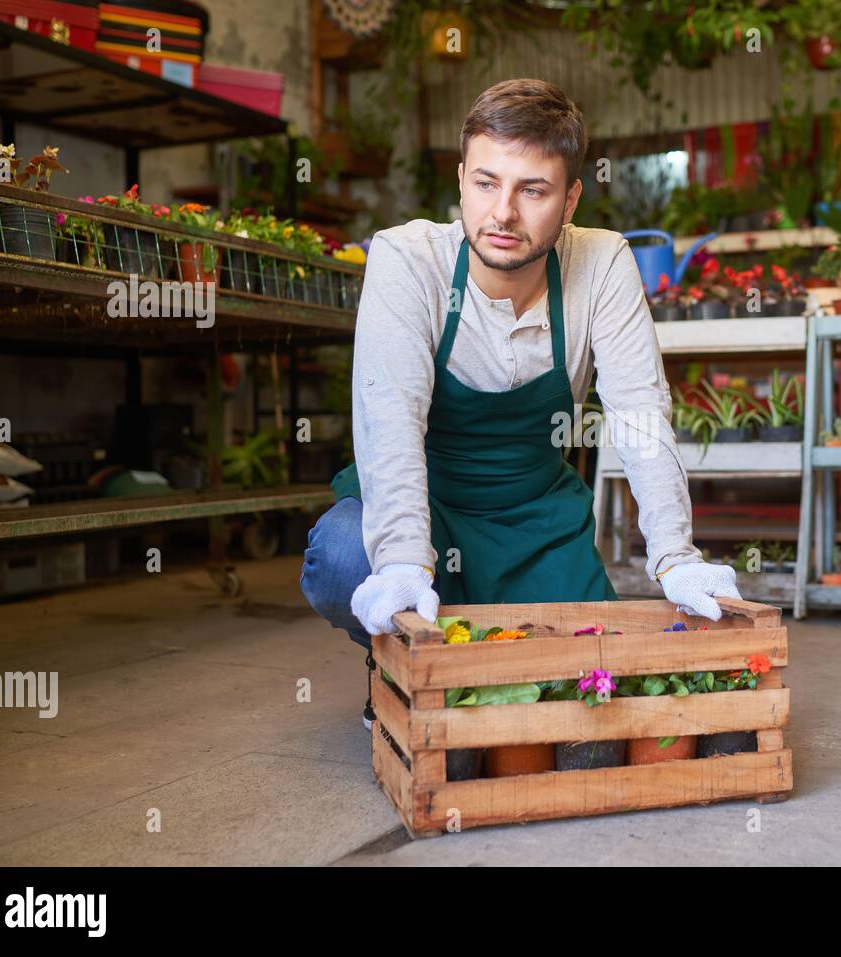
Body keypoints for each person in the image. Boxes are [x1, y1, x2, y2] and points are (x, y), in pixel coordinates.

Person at [300, 78, 741, 729]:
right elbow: (387, 420)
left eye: (532, 189)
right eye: (485, 182)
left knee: (592, 674)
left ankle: (462, 665)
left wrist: (675, 554)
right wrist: (401, 559)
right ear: (459, 180)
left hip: (537, 518)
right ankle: (398, 670)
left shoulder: (602, 263)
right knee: (343, 554)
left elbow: (641, 415)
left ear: (569, 200)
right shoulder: (407, 260)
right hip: (429, 504)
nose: (502, 212)